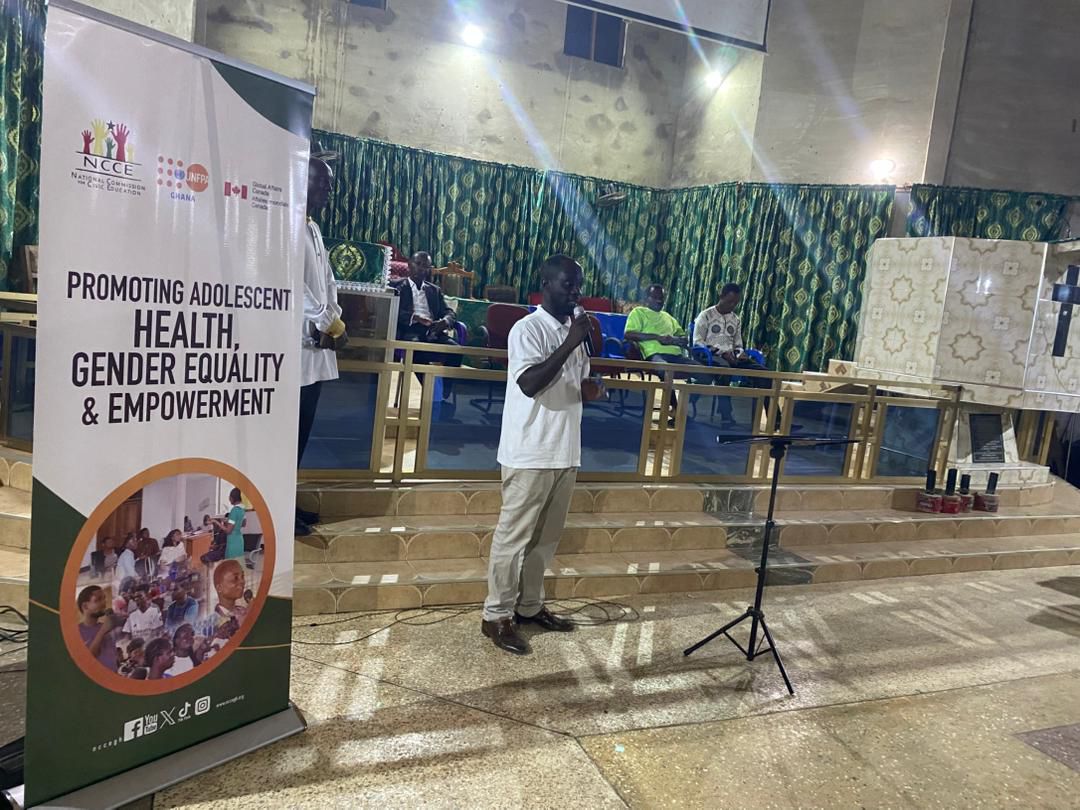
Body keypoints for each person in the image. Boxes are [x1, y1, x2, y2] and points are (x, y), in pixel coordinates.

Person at [482, 254, 605, 655]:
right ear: (546, 285)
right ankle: (496, 615)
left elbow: (575, 384)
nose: (576, 292)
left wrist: (590, 389)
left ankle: (530, 607)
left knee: (545, 540)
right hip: (530, 451)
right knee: (513, 538)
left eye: (579, 285)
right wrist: (570, 343)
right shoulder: (527, 329)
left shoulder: (576, 331)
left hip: (566, 450)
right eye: (568, 284)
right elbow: (530, 383)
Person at [297, 147, 348, 536]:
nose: (328, 191)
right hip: (295, 349)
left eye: (330, 185)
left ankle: (287, 500)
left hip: (316, 347)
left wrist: (334, 319)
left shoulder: (313, 228)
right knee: (286, 436)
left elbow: (327, 281)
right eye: (322, 183)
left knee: (301, 435)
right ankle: (274, 507)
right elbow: (293, 285)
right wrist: (325, 321)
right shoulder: (286, 222)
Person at [625, 284, 706, 422]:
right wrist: (658, 337)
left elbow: (684, 338)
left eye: (661, 298)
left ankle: (683, 405)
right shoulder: (638, 312)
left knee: (705, 374)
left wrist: (674, 339)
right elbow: (628, 334)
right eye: (655, 297)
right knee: (666, 371)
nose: (659, 301)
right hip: (654, 354)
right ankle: (676, 409)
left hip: (676, 355)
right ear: (646, 299)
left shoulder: (668, 317)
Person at [393, 250, 463, 398]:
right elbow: (392, 310)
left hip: (433, 330)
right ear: (409, 265)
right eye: (418, 264)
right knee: (417, 350)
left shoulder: (434, 290)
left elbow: (449, 312)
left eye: (426, 266)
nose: (422, 269)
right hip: (410, 331)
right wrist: (415, 318)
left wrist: (445, 321)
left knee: (456, 350)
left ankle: (444, 392)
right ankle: (432, 393)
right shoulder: (396, 286)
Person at [76, 585, 119, 671]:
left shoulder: (106, 626)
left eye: (104, 598)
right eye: (98, 599)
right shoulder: (77, 631)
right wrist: (103, 631)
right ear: (85, 606)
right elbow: (87, 659)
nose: (104, 603)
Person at [212, 558, 248, 639]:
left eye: (242, 576)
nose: (242, 581)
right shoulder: (213, 621)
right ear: (219, 588)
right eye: (235, 578)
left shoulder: (244, 612)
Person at [212, 488, 247, 560]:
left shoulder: (234, 510)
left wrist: (216, 522)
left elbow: (228, 531)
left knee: (230, 563)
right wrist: (229, 520)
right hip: (239, 540)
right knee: (237, 563)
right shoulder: (242, 509)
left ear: (232, 498)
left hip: (232, 541)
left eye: (229, 497)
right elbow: (243, 524)